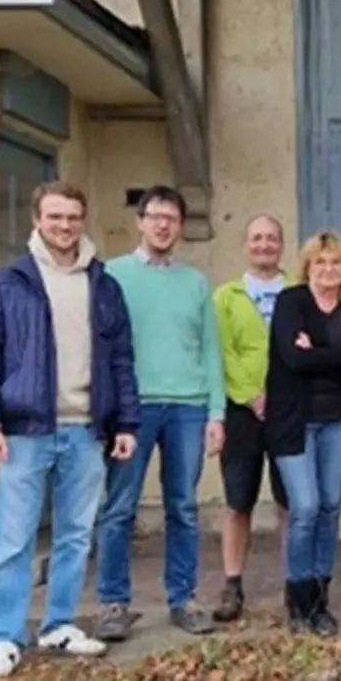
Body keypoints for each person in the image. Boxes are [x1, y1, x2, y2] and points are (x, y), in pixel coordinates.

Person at [0, 182, 139, 680]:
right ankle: (4, 637)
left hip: (87, 430)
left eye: (73, 217)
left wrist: (126, 422)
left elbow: (122, 360)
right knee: (14, 539)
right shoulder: (8, 282)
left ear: (82, 221)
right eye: (55, 217)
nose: (65, 226)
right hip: (25, 429)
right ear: (37, 219)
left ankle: (59, 624)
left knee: (74, 536)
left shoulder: (104, 285)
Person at [95, 186, 224, 641]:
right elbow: (102, 346)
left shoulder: (195, 283)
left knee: (184, 508)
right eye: (155, 216)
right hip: (134, 408)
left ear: (180, 227)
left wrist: (216, 412)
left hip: (188, 407)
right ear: (140, 221)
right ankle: (113, 603)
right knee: (119, 508)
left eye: (172, 218)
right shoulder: (113, 275)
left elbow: (211, 350)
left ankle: (183, 598)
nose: (163, 225)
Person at [268, 230, 341, 636]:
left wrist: (318, 354)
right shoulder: (292, 302)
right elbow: (292, 357)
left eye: (336, 263)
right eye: (320, 262)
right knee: (304, 508)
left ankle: (320, 600)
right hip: (294, 422)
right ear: (308, 266)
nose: (328, 270)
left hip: (337, 422)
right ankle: (298, 596)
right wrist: (332, 358)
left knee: (329, 508)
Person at [212, 214, 293, 623]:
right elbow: (221, 352)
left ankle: (296, 583)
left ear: (281, 245)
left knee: (290, 502)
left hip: (288, 411)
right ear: (246, 245)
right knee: (237, 501)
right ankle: (232, 583)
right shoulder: (226, 296)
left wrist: (277, 398)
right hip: (241, 412)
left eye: (272, 238)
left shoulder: (298, 291)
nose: (264, 245)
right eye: (257, 238)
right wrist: (250, 396)